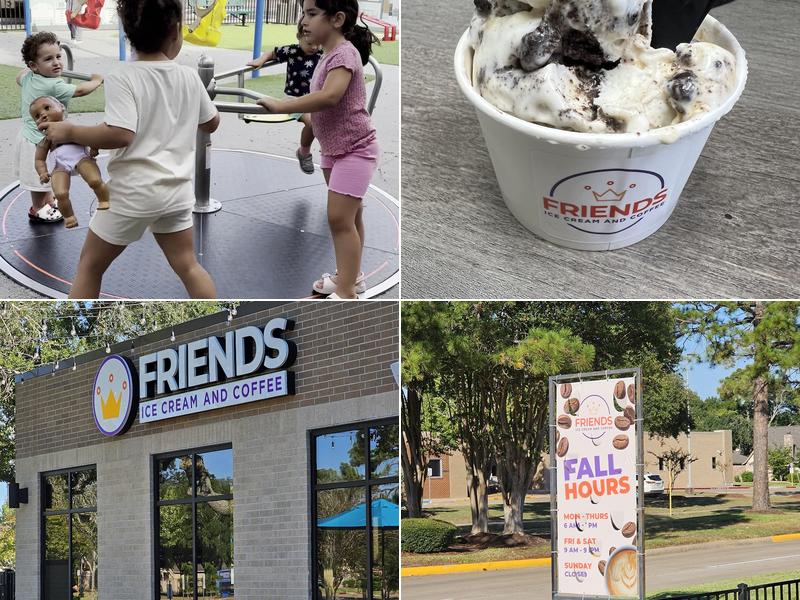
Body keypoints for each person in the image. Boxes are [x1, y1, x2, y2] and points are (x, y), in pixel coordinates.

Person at [39, 0, 220, 299]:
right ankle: (222, 324)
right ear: (176, 31)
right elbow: (211, 123)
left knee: (90, 266)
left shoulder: (123, 75)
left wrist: (70, 130)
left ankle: (79, 334)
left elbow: (122, 133)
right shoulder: (189, 76)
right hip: (175, 194)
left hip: (132, 195)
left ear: (128, 33)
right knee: (188, 266)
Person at [257, 0, 380, 299]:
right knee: (350, 218)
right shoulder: (326, 56)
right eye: (303, 13)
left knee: (339, 219)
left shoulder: (344, 54)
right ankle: (351, 277)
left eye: (311, 14)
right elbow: (324, 108)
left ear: (337, 19)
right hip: (333, 150)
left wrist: (282, 106)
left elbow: (330, 97)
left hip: (356, 149)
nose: (304, 21)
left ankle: (347, 292)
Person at [13, 31, 102, 224]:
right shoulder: (53, 85)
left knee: (48, 173)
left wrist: (30, 71)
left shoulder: (29, 77)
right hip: (37, 141)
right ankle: (38, 209)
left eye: (58, 56)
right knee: (39, 178)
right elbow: (79, 90)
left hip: (30, 136)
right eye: (48, 59)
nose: (56, 63)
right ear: (34, 65)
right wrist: (95, 80)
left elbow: (19, 76)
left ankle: (47, 201)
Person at [247, 21, 323, 174]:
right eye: (309, 43)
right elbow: (272, 53)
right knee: (313, 123)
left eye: (317, 43)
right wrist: (261, 60)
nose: (314, 47)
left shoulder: (321, 53)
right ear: (299, 37)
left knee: (324, 121)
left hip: (313, 99)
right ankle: (304, 152)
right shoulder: (292, 51)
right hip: (293, 100)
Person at [31, 96, 109, 228]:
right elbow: (39, 159)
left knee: (95, 180)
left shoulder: (73, 128)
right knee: (61, 193)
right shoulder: (47, 140)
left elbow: (90, 136)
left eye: (47, 108)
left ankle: (104, 200)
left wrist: (94, 147)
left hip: (81, 158)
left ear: (61, 107)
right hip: (60, 165)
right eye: (37, 116)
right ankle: (69, 216)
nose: (43, 115)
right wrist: (42, 172)